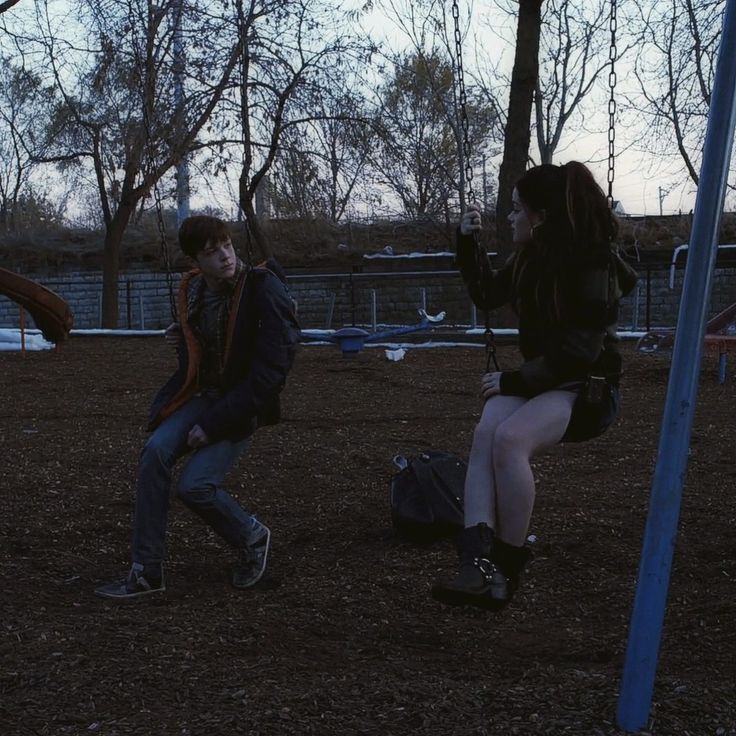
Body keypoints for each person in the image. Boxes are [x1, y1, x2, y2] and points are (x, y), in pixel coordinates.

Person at [431, 162, 638, 611]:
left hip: (588, 388)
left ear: (540, 216)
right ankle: (476, 564)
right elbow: (487, 293)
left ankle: (505, 568)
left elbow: (580, 352)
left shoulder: (591, 260)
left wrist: (513, 380)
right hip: (547, 380)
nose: (510, 218)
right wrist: (468, 245)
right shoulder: (529, 255)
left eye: (516, 210)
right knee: (487, 430)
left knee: (509, 439)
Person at [95, 215, 299, 599]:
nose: (225, 256)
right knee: (155, 451)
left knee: (195, 487)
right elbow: (210, 346)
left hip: (240, 405)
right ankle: (146, 572)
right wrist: (186, 338)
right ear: (195, 261)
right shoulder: (195, 291)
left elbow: (271, 372)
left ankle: (252, 536)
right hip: (203, 396)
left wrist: (214, 425)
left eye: (227, 245)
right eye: (212, 251)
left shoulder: (262, 288)